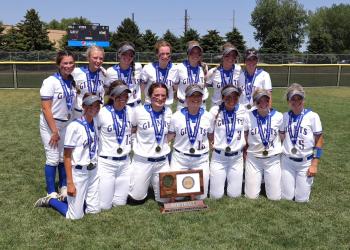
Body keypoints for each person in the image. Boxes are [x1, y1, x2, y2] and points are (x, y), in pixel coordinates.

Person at [35, 94, 102, 220]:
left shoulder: (96, 122)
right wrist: (69, 183)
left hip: (93, 171)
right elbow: (66, 156)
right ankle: (51, 200)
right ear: (83, 106)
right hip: (79, 173)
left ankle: (66, 198)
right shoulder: (74, 126)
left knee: (94, 210)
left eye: (97, 105)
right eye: (90, 105)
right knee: (75, 216)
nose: (94, 108)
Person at [39, 50, 76, 201]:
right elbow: (46, 108)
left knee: (64, 156)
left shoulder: (72, 81)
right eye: (65, 63)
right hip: (51, 123)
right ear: (59, 64)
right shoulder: (50, 81)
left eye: (71, 63)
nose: (68, 66)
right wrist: (54, 130)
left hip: (66, 123)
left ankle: (63, 186)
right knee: (53, 158)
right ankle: (51, 191)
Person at [168, 85, 214, 199]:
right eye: (192, 96)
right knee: (177, 197)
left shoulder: (208, 116)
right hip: (180, 158)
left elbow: (211, 136)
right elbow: (170, 136)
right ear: (186, 98)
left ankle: (191, 189)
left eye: (198, 95)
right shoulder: (176, 116)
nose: (195, 98)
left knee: (201, 197)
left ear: (202, 97)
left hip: (201, 159)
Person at [129, 83, 172, 203]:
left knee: (166, 199)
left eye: (163, 95)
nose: (160, 98)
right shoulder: (139, 111)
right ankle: (146, 182)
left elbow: (171, 133)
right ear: (149, 96)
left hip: (162, 161)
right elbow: (132, 130)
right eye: (156, 95)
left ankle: (153, 183)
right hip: (143, 160)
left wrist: (163, 144)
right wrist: (136, 146)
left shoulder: (168, 111)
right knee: (137, 198)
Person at [280, 83, 324, 202]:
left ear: (303, 99)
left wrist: (314, 164)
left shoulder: (313, 116)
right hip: (287, 162)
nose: (296, 101)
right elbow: (282, 137)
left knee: (301, 199)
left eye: (299, 98)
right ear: (288, 101)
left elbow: (319, 140)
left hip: (305, 162)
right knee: (286, 197)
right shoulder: (284, 117)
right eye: (292, 99)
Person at [96, 82, 134, 210]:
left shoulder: (130, 111)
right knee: (104, 206)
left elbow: (134, 129)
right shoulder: (101, 113)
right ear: (112, 96)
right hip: (107, 163)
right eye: (119, 95)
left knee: (120, 204)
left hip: (125, 163)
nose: (123, 98)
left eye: (125, 95)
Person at [209, 85, 248, 199]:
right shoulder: (215, 110)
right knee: (216, 196)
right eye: (228, 97)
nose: (232, 100)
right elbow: (210, 131)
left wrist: (245, 147)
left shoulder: (243, 110)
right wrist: (212, 142)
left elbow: (246, 131)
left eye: (235, 97)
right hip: (219, 158)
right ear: (222, 97)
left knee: (234, 195)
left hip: (236, 158)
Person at [244, 89, 283, 200]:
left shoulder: (279, 116)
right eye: (259, 101)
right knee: (251, 197)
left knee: (275, 198)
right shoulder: (248, 116)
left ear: (269, 101)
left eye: (265, 100)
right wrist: (245, 151)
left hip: (272, 159)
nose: (262, 104)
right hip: (254, 159)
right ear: (255, 103)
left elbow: (282, 137)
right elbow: (245, 135)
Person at [71, 45, 106, 119]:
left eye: (101, 58)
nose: (98, 61)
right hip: (80, 113)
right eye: (95, 58)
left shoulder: (105, 74)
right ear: (88, 58)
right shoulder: (76, 72)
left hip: (98, 112)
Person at [141, 40, 179, 106]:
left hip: (166, 106)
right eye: (162, 54)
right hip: (150, 105)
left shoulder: (175, 69)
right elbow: (141, 89)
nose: (165, 56)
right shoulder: (148, 68)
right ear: (157, 54)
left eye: (168, 54)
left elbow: (177, 89)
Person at [106, 42, 142, 108]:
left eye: (131, 55)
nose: (128, 57)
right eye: (124, 54)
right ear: (119, 55)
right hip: (119, 106)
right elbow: (107, 91)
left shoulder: (138, 67)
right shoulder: (110, 71)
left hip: (136, 106)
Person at [175, 40, 209, 110]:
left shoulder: (204, 67)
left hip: (201, 105)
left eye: (198, 53)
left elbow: (204, 85)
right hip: (184, 105)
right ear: (188, 53)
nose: (195, 55)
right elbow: (175, 86)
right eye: (192, 52)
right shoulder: (179, 67)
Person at [206, 42, 242, 107]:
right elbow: (203, 87)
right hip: (217, 107)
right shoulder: (212, 72)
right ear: (222, 56)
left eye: (233, 55)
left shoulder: (238, 70)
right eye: (227, 55)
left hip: (232, 107)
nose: (231, 58)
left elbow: (240, 89)